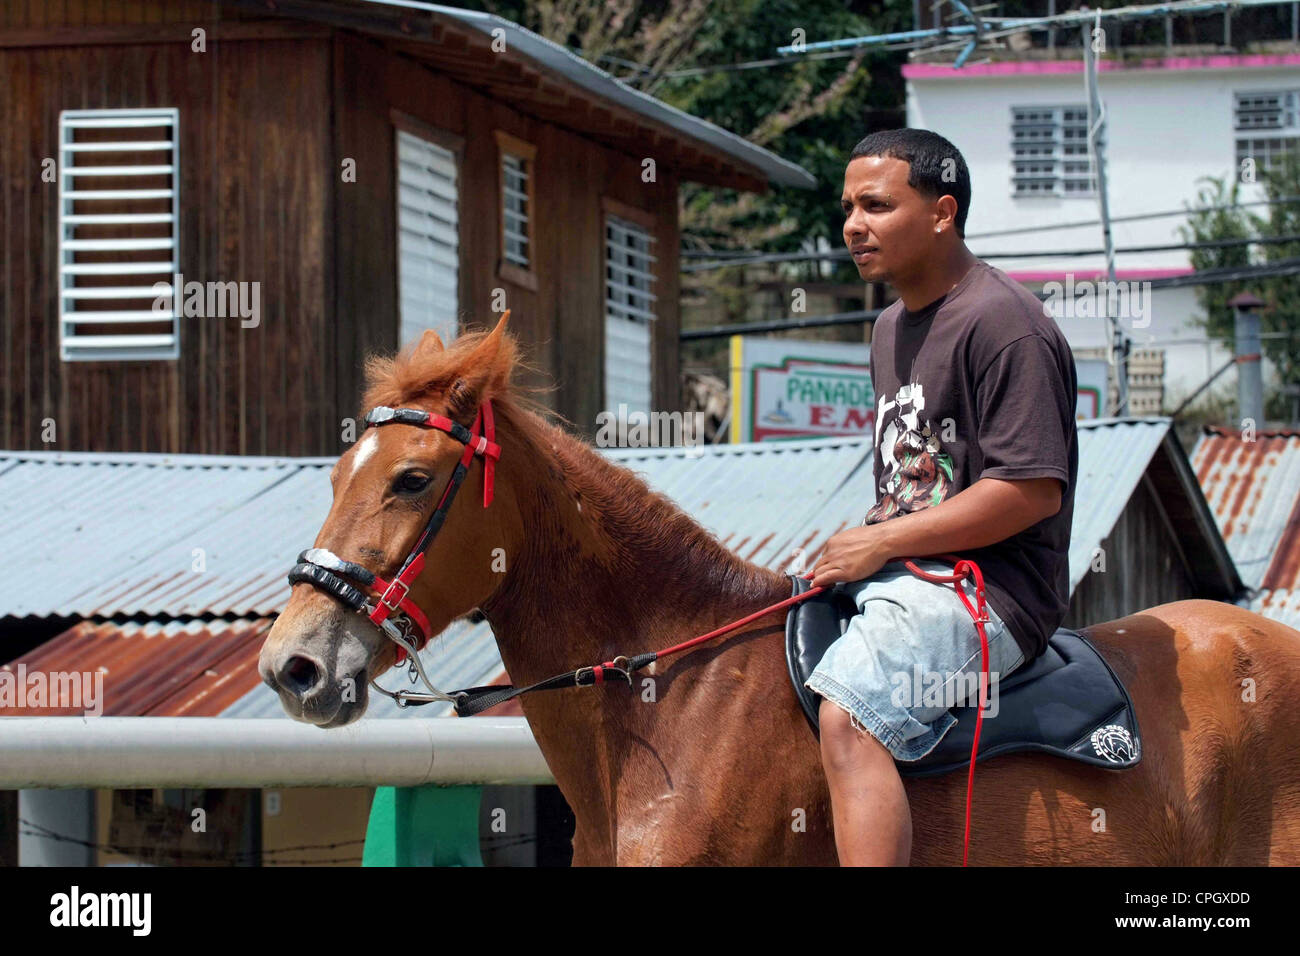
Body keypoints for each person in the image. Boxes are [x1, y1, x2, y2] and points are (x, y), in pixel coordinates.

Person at [807, 128, 1078, 866]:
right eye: (847, 207)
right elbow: (913, 480)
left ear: (941, 212)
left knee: (848, 717)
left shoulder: (1005, 323)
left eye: (876, 204)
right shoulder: (888, 327)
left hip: (992, 594)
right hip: (907, 575)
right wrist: (870, 538)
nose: (853, 225)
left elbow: (1028, 493)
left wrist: (884, 542)